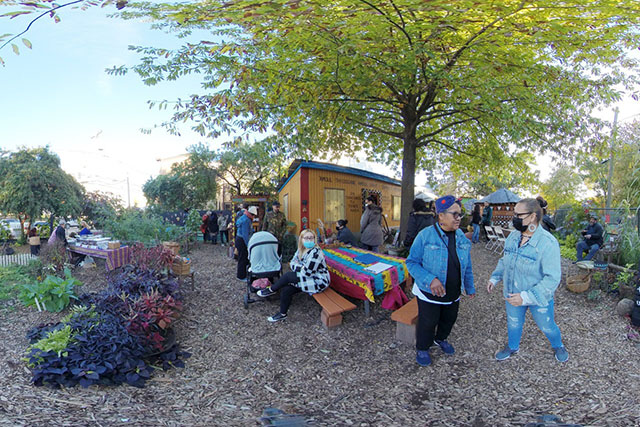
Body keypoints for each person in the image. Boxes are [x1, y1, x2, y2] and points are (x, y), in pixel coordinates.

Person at [487, 198, 568, 363]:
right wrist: (495, 277)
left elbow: (552, 278)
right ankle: (512, 346)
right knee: (513, 322)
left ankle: (558, 345)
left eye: (518, 215)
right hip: (512, 292)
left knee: (547, 326)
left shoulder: (548, 243)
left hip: (538, 297)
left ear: (532, 217)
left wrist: (526, 297)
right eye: (513, 214)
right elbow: (505, 260)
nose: (513, 218)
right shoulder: (513, 237)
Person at [406, 195, 475, 367]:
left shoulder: (461, 238)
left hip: (453, 292)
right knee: (428, 322)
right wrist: (431, 280)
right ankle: (423, 348)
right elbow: (411, 263)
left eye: (460, 214)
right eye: (455, 214)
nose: (459, 218)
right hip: (429, 292)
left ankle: (441, 339)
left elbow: (467, 265)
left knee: (449, 319)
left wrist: (469, 286)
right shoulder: (425, 236)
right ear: (441, 215)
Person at [257, 229, 330, 322]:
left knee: (288, 276)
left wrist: (299, 267)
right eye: (306, 238)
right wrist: (302, 267)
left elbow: (307, 272)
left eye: (311, 238)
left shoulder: (316, 253)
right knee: (286, 289)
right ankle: (282, 314)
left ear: (314, 239)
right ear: (301, 239)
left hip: (318, 281)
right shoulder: (301, 249)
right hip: (308, 278)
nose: (309, 240)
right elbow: (292, 262)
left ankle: (272, 289)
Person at [235, 206, 257, 280]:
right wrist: (248, 245)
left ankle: (244, 274)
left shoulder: (245, 217)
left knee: (244, 258)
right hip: (242, 241)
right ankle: (241, 276)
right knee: (242, 258)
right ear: (252, 214)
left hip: (240, 239)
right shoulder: (246, 220)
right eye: (254, 215)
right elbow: (245, 234)